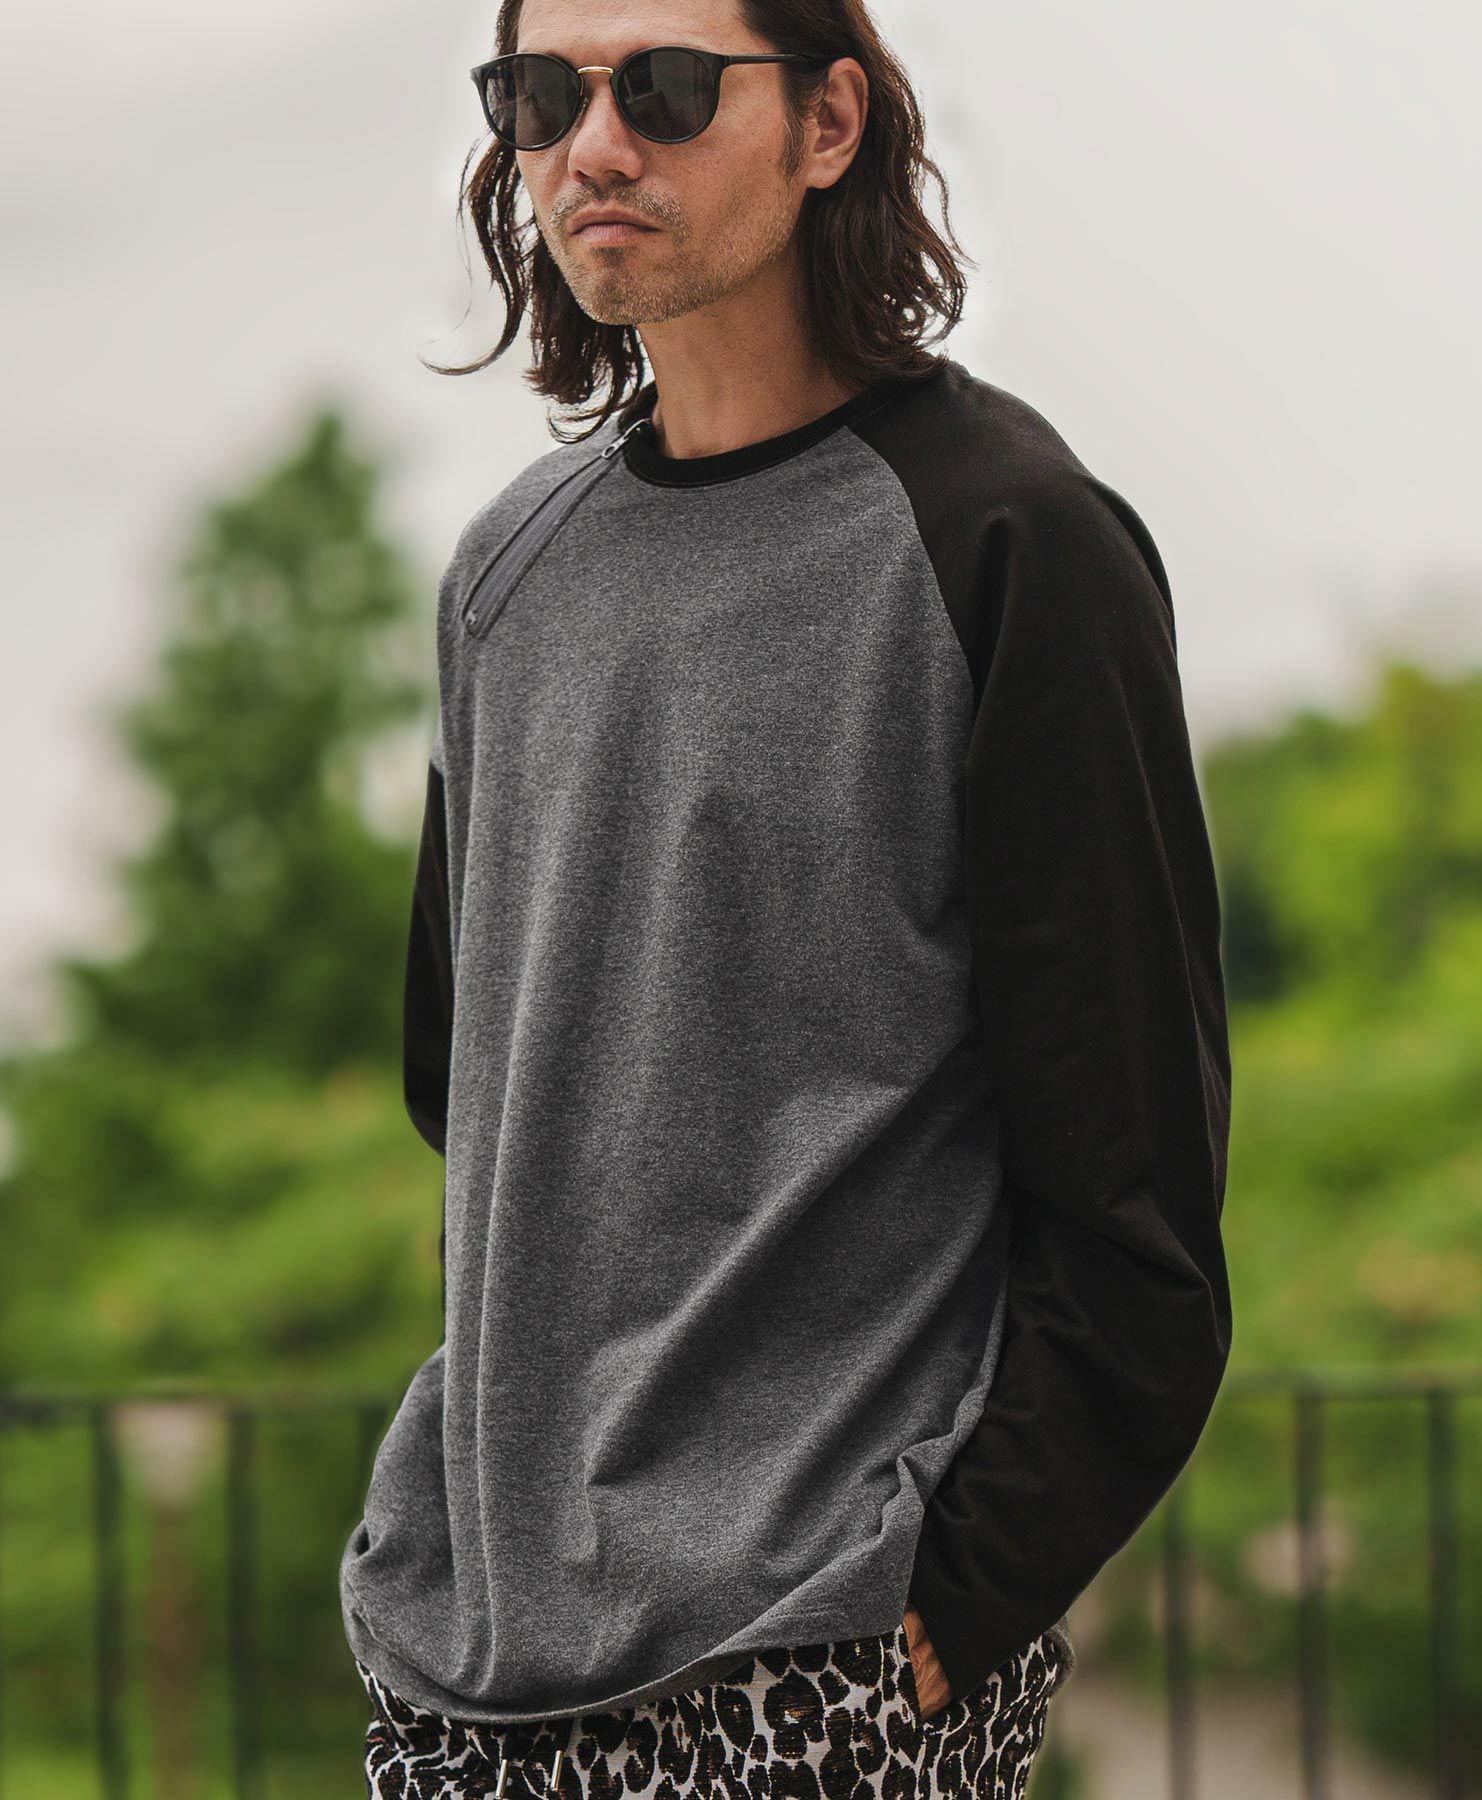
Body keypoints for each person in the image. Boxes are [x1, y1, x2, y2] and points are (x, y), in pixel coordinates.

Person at [338, 1, 1234, 1795]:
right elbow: (474, 1082)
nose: (595, 146)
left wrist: (946, 1605)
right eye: (541, 94)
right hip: (467, 1670)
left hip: (821, 1666)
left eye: (667, 88)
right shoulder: (506, 576)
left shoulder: (1011, 540)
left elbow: (1133, 1191)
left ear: (831, 122)